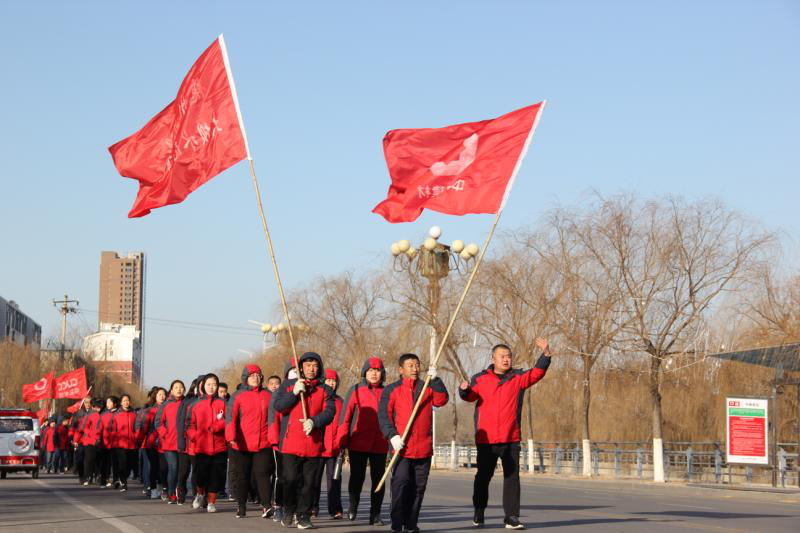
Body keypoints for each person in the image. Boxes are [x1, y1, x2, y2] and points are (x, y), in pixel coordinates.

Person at [459, 339, 552, 530]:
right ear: (493, 358)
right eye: (502, 356)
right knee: (483, 477)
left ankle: (511, 517)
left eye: (509, 356)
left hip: (511, 438)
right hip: (487, 440)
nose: (506, 359)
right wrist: (464, 390)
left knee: (512, 478)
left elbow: (536, 373)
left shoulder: (518, 377)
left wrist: (545, 355)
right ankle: (479, 510)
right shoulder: (480, 378)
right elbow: (470, 397)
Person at [378, 353, 449, 533]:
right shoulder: (392, 390)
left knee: (418, 488)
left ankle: (411, 523)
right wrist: (392, 436)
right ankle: (397, 522)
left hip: (423, 448)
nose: (415, 369)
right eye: (410, 365)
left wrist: (436, 380)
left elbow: (442, 400)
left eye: (417, 365)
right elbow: (384, 416)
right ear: (401, 370)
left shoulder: (427, 387)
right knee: (400, 485)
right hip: (401, 449)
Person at [272, 352, 336, 530]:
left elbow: (329, 412)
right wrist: (293, 393)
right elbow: (279, 407)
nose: (311, 369)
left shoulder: (325, 389)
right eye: (307, 365)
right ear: (301, 367)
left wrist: (315, 421)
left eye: (315, 365)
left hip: (313, 443)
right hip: (290, 442)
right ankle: (288, 508)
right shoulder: (288, 385)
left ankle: (303, 516)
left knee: (309, 484)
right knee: (290, 479)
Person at [336, 357, 389, 524]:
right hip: (358, 442)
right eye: (370, 370)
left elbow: (393, 417)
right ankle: (353, 505)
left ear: (382, 373)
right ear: (365, 373)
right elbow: (345, 417)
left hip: (380, 443)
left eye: (377, 370)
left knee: (379, 479)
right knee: (357, 477)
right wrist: (342, 440)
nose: (374, 373)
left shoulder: (387, 392)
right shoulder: (356, 390)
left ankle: (375, 513)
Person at [225, 364, 275, 519]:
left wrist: (274, 438)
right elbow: (230, 417)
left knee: (263, 474)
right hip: (241, 443)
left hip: (263, 443)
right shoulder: (237, 395)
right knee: (242, 476)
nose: (255, 378)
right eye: (252, 375)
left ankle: (266, 505)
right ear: (246, 378)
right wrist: (231, 437)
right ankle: (241, 506)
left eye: (258, 375)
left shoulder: (268, 395)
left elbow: (274, 418)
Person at [188, 373, 228, 513]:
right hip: (202, 446)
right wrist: (195, 436)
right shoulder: (196, 405)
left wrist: (217, 426)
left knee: (215, 476)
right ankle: (200, 494)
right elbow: (189, 425)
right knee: (201, 475)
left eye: (214, 384)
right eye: (209, 384)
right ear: (203, 386)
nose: (212, 387)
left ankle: (211, 502)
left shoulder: (222, 403)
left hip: (219, 446)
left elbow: (228, 420)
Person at [311, 368, 343, 519]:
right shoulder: (317, 397)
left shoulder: (340, 402)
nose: (331, 383)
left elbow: (344, 423)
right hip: (318, 446)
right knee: (314, 479)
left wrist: (343, 442)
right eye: (328, 380)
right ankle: (313, 507)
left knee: (334, 480)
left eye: (334, 380)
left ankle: (335, 508)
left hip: (335, 447)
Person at [156, 380, 185, 504]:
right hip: (169, 443)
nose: (179, 389)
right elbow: (158, 423)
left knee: (182, 470)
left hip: (183, 443)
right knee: (173, 468)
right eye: (176, 387)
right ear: (171, 390)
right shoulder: (166, 405)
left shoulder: (186, 403)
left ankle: (180, 492)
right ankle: (171, 493)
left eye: (181, 387)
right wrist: (164, 434)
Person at [137, 387, 167, 499]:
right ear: (155, 396)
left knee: (163, 468)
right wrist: (140, 441)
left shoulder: (167, 409)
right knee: (154, 467)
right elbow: (144, 428)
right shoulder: (149, 411)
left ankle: (161, 488)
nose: (162, 396)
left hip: (165, 443)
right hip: (152, 443)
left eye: (164, 394)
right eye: (160, 394)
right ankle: (153, 488)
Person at [109, 394, 139, 492]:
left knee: (129, 465)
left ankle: (121, 479)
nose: (126, 402)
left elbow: (137, 427)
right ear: (121, 403)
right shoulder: (116, 415)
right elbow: (112, 429)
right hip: (120, 444)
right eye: (124, 400)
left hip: (132, 443)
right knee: (122, 463)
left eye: (127, 400)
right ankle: (123, 482)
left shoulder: (134, 414)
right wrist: (115, 440)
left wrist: (136, 436)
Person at [80, 398, 103, 486]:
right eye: (96, 407)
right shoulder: (92, 415)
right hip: (91, 441)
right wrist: (93, 435)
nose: (98, 409)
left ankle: (92, 477)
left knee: (93, 460)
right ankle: (88, 477)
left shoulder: (95, 414)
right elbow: (84, 427)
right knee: (90, 460)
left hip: (94, 441)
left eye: (99, 407)